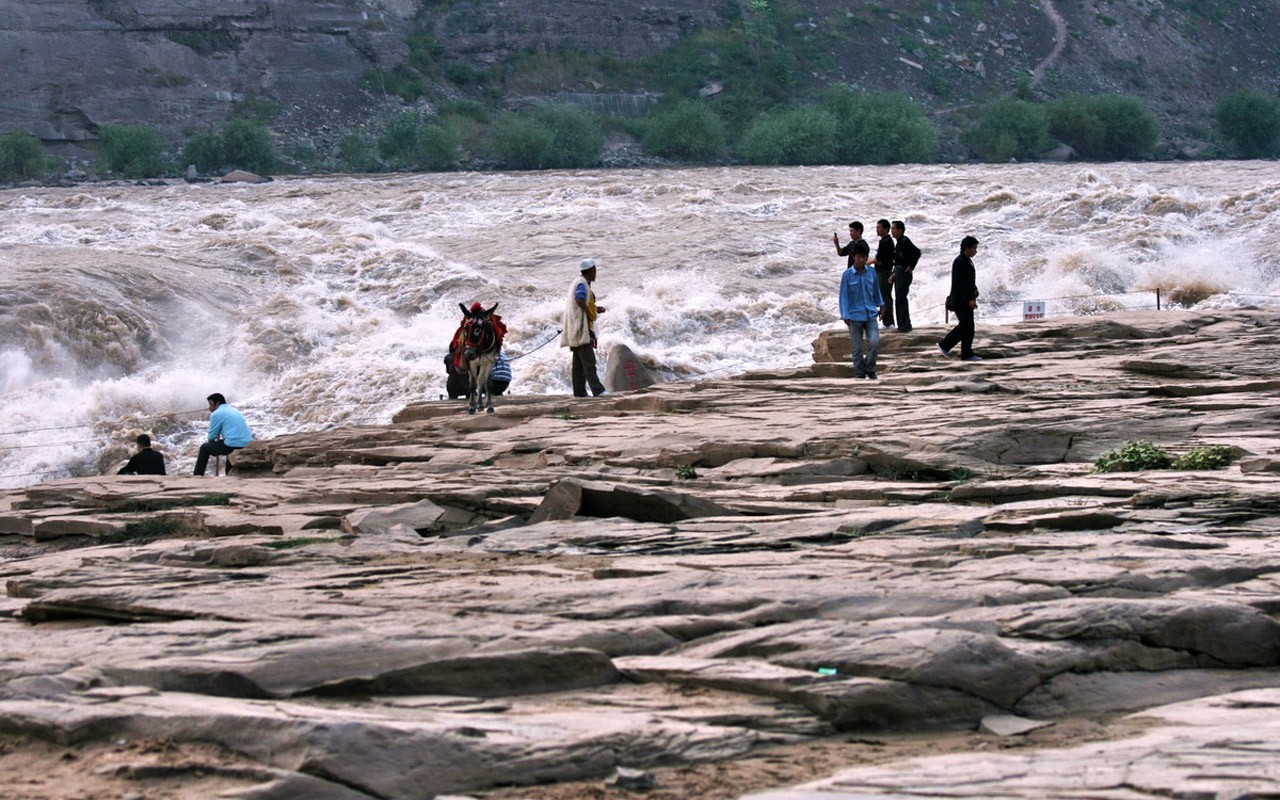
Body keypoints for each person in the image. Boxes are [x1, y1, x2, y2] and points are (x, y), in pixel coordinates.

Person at [560, 258, 607, 397]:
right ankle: (598, 391)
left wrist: (595, 308)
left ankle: (579, 392)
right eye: (595, 270)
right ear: (591, 271)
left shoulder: (579, 282)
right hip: (581, 329)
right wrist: (589, 312)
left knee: (579, 364)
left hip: (575, 328)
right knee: (589, 361)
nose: (595, 273)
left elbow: (581, 301)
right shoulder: (582, 284)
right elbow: (579, 299)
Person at [838, 240, 883, 380]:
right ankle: (860, 373)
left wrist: (881, 305)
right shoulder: (847, 275)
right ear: (853, 257)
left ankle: (870, 368)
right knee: (857, 348)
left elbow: (876, 291)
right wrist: (845, 315)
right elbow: (843, 297)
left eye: (864, 257)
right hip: (854, 316)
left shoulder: (872, 272)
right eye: (859, 257)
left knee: (875, 342)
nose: (862, 260)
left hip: (870, 313)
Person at [939, 235, 982, 362]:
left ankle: (967, 353)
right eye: (974, 248)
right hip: (960, 300)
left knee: (969, 327)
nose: (976, 251)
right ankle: (945, 344)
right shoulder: (959, 261)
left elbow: (969, 281)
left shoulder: (967, 260)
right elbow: (961, 283)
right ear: (967, 248)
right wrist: (970, 299)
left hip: (966, 299)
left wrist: (975, 289)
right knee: (965, 325)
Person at [194, 393, 252, 476]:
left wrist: (211, 444)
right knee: (228, 445)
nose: (209, 407)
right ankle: (228, 475)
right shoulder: (234, 410)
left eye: (210, 404)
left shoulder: (216, 413)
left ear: (217, 403)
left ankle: (197, 475)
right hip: (247, 443)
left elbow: (212, 436)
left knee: (204, 448)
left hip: (232, 443)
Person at [889, 220, 921, 332]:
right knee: (899, 298)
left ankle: (905, 325)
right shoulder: (899, 242)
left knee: (901, 299)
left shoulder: (904, 241)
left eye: (894, 228)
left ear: (900, 230)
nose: (892, 231)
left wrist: (911, 266)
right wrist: (893, 274)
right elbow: (898, 260)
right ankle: (902, 324)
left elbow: (917, 252)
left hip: (904, 272)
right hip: (899, 271)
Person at [872, 219, 896, 327]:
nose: (877, 230)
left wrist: (864, 263)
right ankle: (886, 321)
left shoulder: (886, 241)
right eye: (876, 228)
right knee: (883, 297)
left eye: (879, 228)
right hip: (882, 272)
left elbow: (877, 259)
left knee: (885, 297)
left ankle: (889, 322)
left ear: (886, 229)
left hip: (884, 273)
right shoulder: (884, 241)